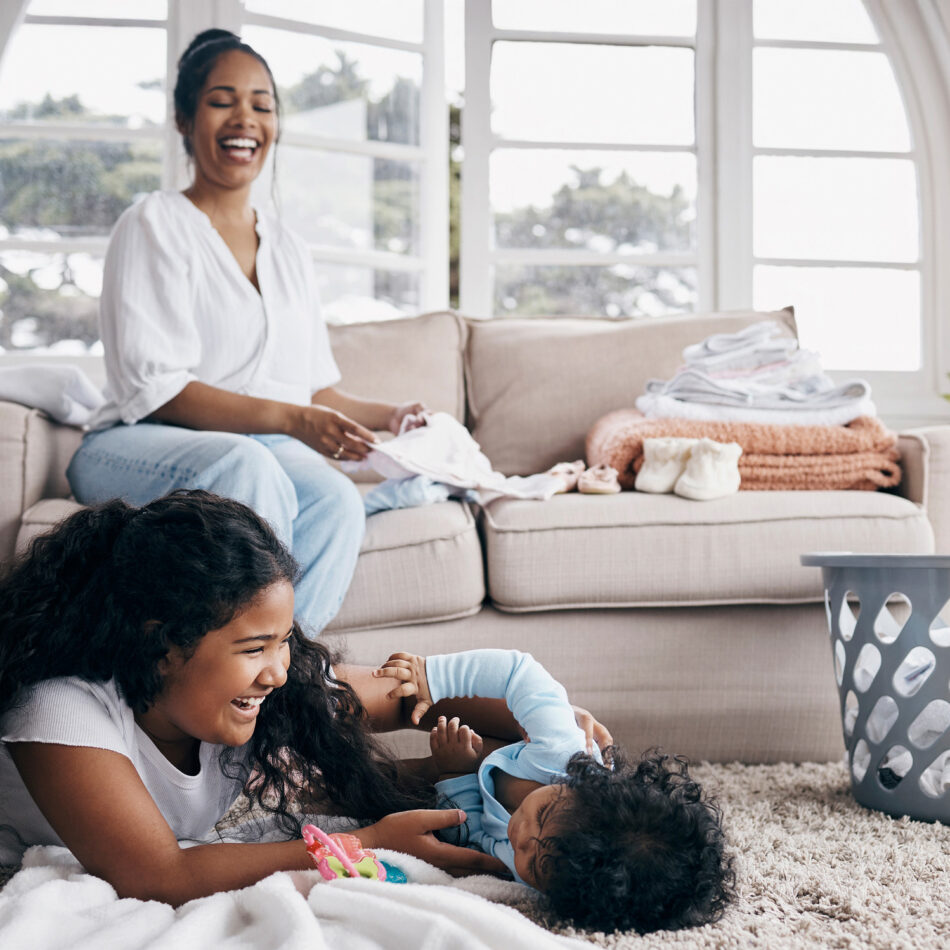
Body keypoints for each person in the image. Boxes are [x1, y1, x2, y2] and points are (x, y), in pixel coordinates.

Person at [65, 28, 424, 635]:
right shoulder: (153, 224)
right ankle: (229, 665)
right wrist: (291, 421)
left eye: (262, 105)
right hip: (143, 441)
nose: (245, 119)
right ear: (184, 118)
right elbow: (160, 392)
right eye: (222, 100)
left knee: (335, 499)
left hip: (259, 446)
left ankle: (282, 675)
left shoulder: (287, 246)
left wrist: (392, 417)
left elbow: (311, 391)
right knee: (245, 464)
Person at [0, 491, 510, 903]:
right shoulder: (62, 707)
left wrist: (547, 718)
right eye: (253, 649)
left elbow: (410, 694)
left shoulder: (241, 692)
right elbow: (159, 877)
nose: (278, 673)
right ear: (161, 645)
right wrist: (369, 843)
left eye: (283, 641)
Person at [375, 650, 735, 934]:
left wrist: (455, 771)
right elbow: (519, 671)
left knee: (389, 786)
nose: (521, 834)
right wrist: (432, 676)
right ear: (585, 787)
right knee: (405, 690)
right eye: (544, 815)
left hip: (476, 766)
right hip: (520, 740)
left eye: (531, 862)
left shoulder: (540, 870)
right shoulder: (561, 748)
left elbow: (472, 835)